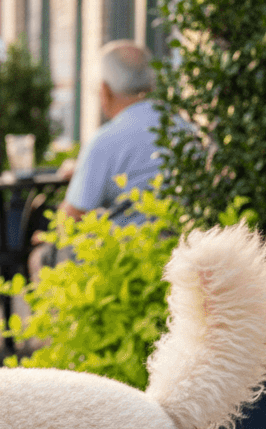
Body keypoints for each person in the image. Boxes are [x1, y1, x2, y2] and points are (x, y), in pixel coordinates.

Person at [31, 40, 175, 277]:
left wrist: (47, 236)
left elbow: (69, 220)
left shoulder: (106, 141)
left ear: (105, 91)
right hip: (177, 246)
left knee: (41, 258)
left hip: (124, 256)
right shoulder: (181, 126)